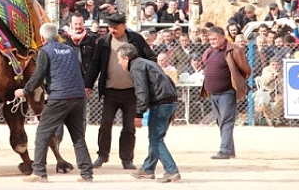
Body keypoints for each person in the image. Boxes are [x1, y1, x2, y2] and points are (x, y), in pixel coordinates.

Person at [14, 22, 94, 183]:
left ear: (42, 38)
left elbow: (38, 76)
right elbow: (79, 70)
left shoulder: (45, 51)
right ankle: (86, 174)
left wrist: (25, 90)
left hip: (59, 97)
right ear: (56, 36)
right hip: (78, 97)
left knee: (43, 133)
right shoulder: (70, 49)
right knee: (78, 136)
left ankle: (39, 172)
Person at [85, 11, 157, 169]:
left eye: (115, 27)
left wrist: (144, 75)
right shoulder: (103, 41)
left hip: (131, 91)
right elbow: (95, 64)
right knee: (105, 125)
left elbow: (151, 57)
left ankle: (127, 159)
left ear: (124, 25)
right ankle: (102, 156)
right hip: (110, 91)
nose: (112, 30)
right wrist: (88, 85)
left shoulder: (135, 39)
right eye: (110, 27)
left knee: (129, 127)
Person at [116, 43, 181, 183]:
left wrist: (138, 114)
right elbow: (168, 80)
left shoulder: (136, 67)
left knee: (156, 139)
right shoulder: (148, 63)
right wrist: (173, 106)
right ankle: (148, 169)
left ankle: (172, 170)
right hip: (169, 101)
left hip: (161, 103)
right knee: (155, 138)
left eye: (119, 59)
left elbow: (141, 92)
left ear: (126, 58)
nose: (118, 62)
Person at [201, 26, 251, 160]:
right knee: (220, 121)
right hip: (213, 93)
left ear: (223, 37)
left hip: (227, 92)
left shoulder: (233, 50)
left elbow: (246, 69)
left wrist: (238, 82)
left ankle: (224, 151)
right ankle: (230, 150)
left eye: (215, 38)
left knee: (226, 121)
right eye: (210, 39)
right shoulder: (209, 52)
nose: (212, 41)